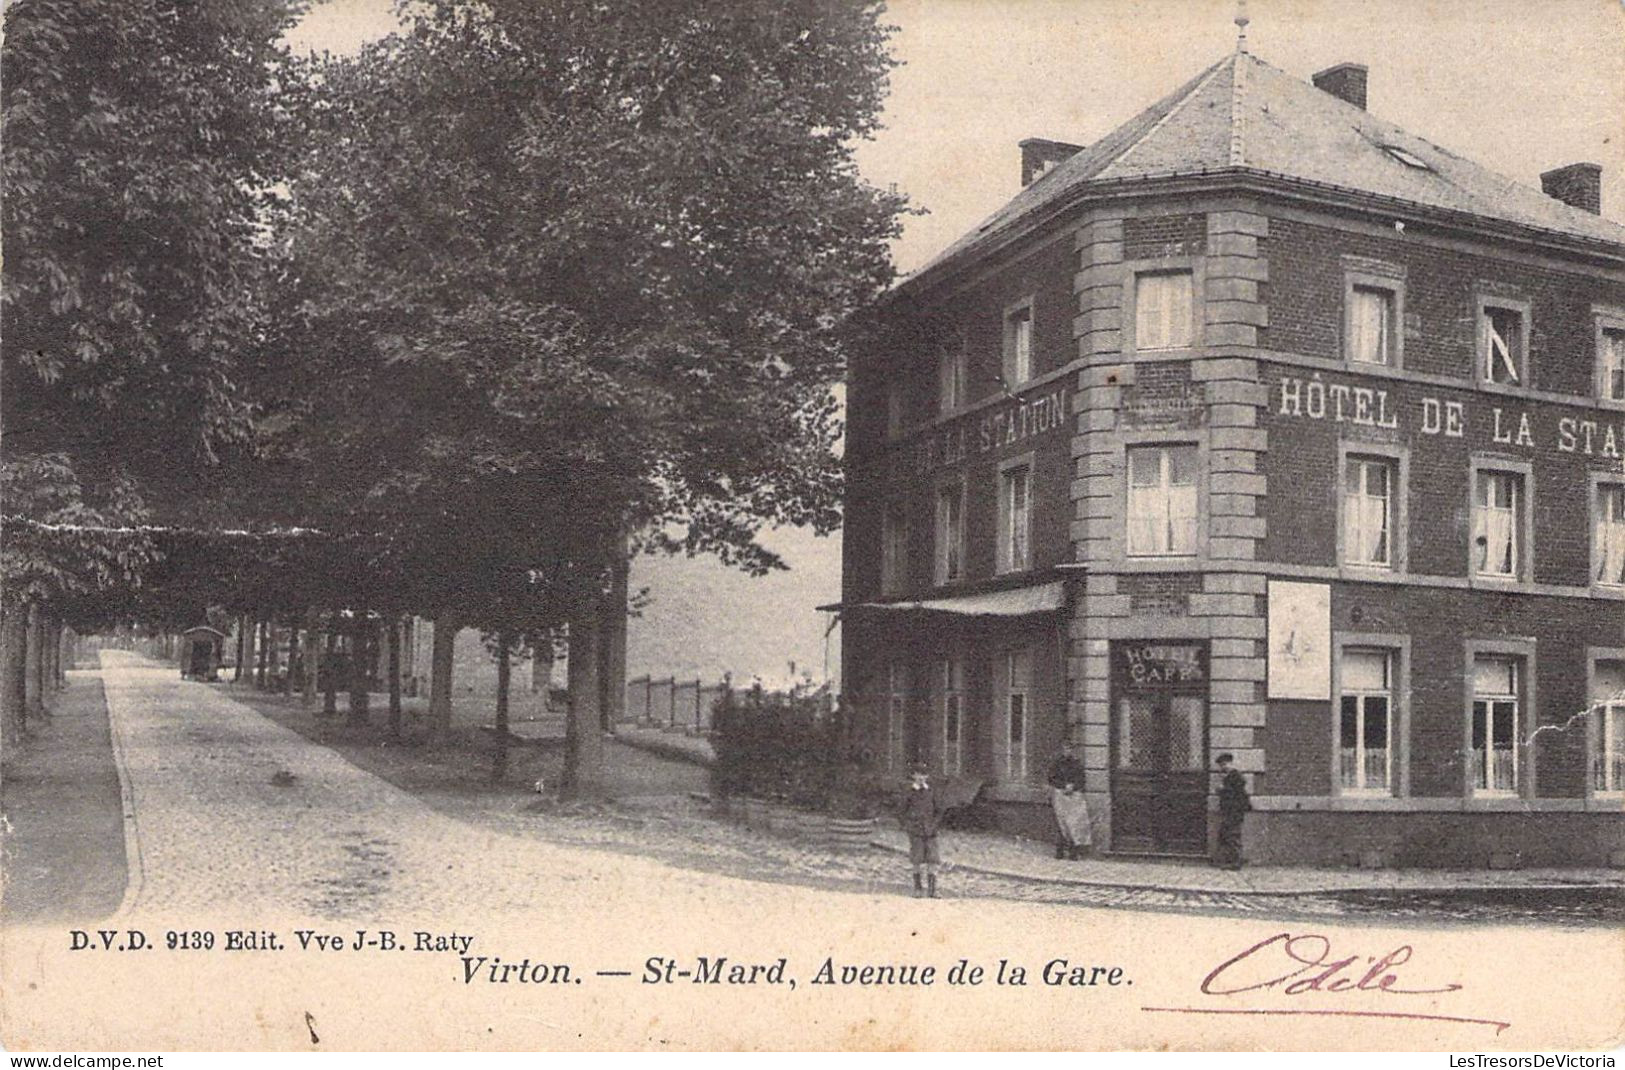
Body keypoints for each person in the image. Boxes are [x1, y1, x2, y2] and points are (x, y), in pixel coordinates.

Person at [898, 762, 943, 897]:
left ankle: (932, 890)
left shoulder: (931, 791)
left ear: (927, 776)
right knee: (917, 859)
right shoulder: (909, 792)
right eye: (918, 774)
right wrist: (908, 826)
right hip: (916, 830)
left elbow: (939, 810)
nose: (921, 777)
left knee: (933, 859)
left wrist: (934, 824)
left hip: (931, 830)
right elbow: (901, 811)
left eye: (924, 774)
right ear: (913, 776)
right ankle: (917, 888)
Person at [1046, 740, 1091, 860]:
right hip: (1060, 794)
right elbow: (1051, 778)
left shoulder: (1077, 764)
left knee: (1075, 823)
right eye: (1066, 749)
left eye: (1070, 749)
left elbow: (1082, 779)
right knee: (1061, 822)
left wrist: (1073, 786)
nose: (1068, 751)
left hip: (1074, 795)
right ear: (1062, 750)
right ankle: (1059, 850)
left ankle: (1073, 851)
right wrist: (1063, 785)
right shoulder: (1056, 763)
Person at [1214, 752, 1251, 870]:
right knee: (1226, 835)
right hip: (1229, 811)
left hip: (1234, 812)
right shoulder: (1229, 776)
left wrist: (1221, 790)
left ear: (1231, 763)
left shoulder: (1235, 776)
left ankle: (1236, 862)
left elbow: (1235, 794)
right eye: (1221, 765)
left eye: (1225, 764)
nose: (1223, 767)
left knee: (1233, 836)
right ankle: (1228, 861)